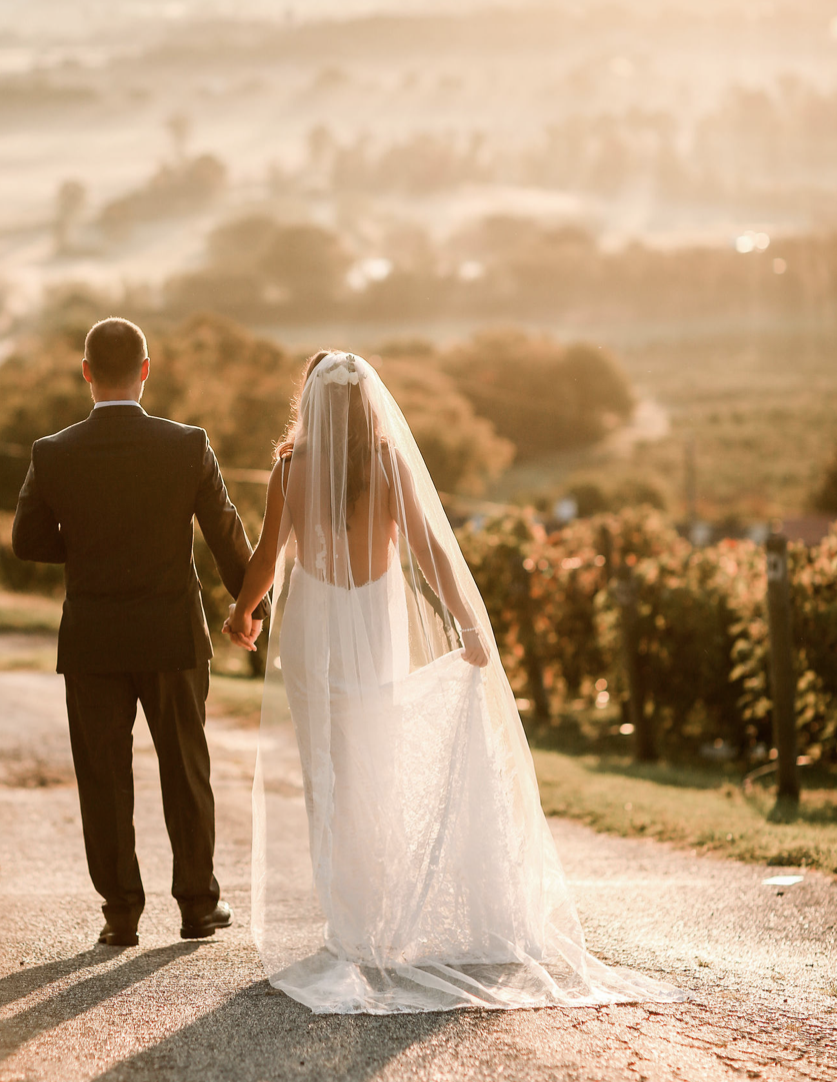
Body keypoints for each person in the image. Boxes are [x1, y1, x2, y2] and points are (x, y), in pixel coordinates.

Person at [225, 350, 676, 1014]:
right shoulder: (384, 462)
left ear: (313, 403)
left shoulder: (290, 468)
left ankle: (349, 924)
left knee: (326, 773)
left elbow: (268, 553)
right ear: (365, 403)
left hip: (314, 626)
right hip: (369, 623)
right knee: (372, 766)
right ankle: (375, 918)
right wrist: (467, 622)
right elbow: (429, 551)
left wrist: (243, 608)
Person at [12, 316, 264, 947]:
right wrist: (250, 606)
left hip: (93, 638)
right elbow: (226, 533)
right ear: (146, 370)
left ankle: (121, 914)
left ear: (87, 372)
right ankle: (199, 907)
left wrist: (90, 548)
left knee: (102, 774)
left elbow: (28, 541)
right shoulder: (188, 445)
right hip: (171, 633)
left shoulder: (54, 451)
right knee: (185, 767)